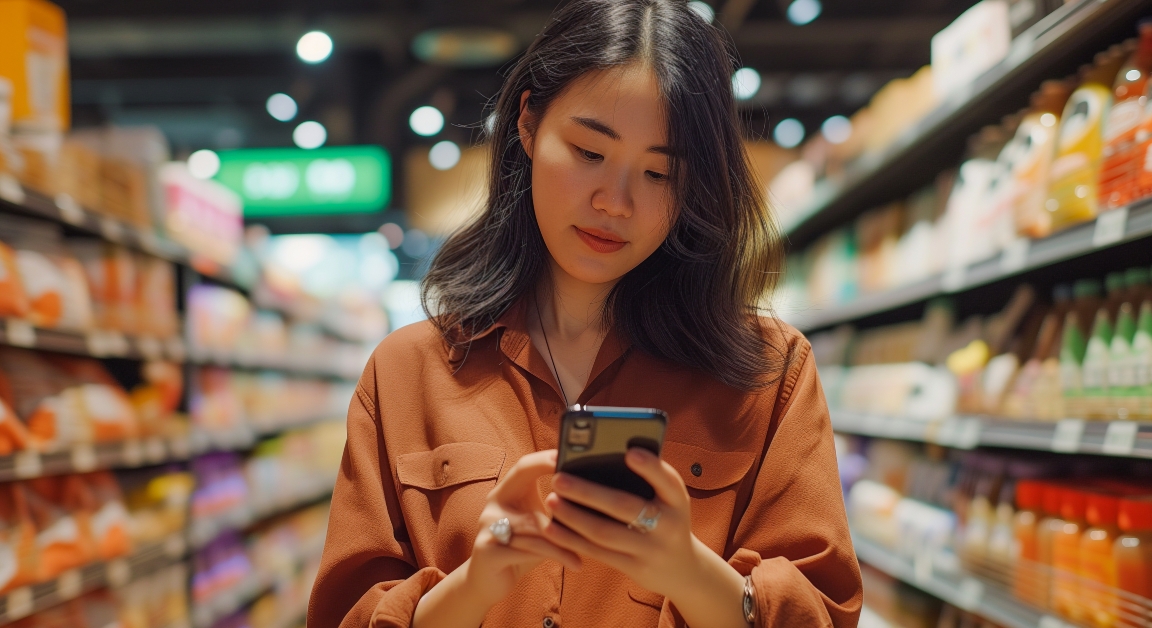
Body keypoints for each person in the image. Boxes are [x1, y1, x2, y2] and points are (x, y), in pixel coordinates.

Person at [307, 0, 862, 626]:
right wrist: (477, 581)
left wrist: (686, 568)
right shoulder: (405, 374)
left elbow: (823, 614)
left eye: (658, 172)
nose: (615, 201)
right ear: (528, 123)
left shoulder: (769, 375)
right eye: (589, 153)